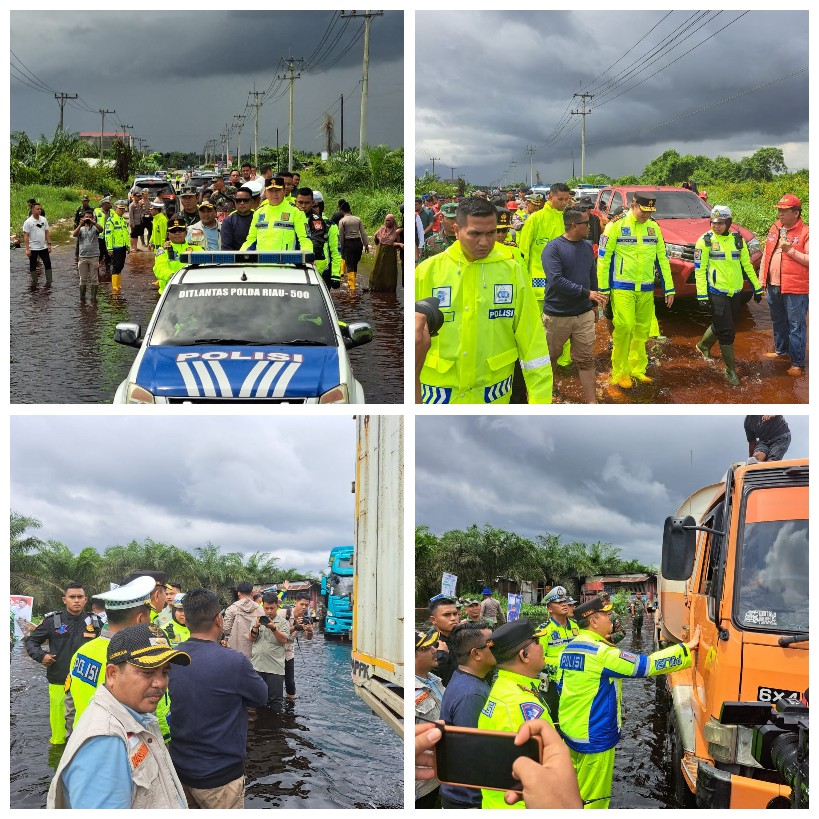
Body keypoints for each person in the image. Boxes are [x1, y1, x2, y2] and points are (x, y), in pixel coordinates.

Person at [558, 596, 700, 809]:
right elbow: (646, 666)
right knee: (595, 799)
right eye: (606, 614)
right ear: (594, 621)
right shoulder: (602, 653)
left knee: (573, 790)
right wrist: (686, 649)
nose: (611, 619)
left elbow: (561, 687)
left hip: (570, 731)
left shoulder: (569, 649)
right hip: (594, 735)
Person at [415, 197, 553, 404]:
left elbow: (533, 341)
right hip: (438, 395)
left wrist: (540, 401)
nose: (484, 242)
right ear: (456, 229)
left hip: (493, 395)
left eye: (491, 233)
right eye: (474, 234)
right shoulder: (428, 272)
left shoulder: (512, 272)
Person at [46, 623, 190, 809]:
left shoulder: (137, 716)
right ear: (112, 674)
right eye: (147, 672)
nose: (160, 683)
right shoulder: (105, 741)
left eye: (165, 672)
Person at [169, 588, 268, 808]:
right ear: (218, 619)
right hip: (220, 778)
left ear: (186, 621)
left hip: (180, 771)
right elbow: (261, 697)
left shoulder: (172, 657)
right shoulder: (235, 662)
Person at [596, 192, 675, 391]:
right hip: (622, 287)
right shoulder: (616, 226)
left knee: (641, 330)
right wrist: (604, 289)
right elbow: (603, 260)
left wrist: (669, 288)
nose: (646, 215)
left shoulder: (654, 228)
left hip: (646, 288)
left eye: (650, 212)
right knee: (624, 327)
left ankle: (637, 368)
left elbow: (662, 260)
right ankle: (620, 372)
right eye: (643, 210)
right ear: (633, 205)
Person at [64, 576, 157, 732]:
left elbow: (70, 705)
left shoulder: (82, 652)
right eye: (149, 615)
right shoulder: (133, 658)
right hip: (118, 745)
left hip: (83, 739)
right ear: (141, 619)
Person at [477, 619, 552, 808]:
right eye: (536, 642)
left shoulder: (503, 687)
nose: (542, 646)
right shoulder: (520, 705)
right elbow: (543, 775)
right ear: (524, 655)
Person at [542, 208, 608, 403]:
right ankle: (549, 392)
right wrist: (587, 293)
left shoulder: (587, 246)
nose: (590, 227)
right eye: (586, 224)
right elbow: (556, 280)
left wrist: (593, 303)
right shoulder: (553, 248)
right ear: (574, 225)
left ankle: (591, 402)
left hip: (583, 314)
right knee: (552, 356)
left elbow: (591, 274)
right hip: (557, 315)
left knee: (586, 359)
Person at [25, 583, 102, 745]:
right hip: (59, 680)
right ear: (64, 600)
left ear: (85, 599)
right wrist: (41, 656)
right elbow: (31, 641)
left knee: (88, 730)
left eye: (80, 597)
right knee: (59, 734)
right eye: (72, 597)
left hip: (87, 684)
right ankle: (57, 761)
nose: (76, 601)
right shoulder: (52, 621)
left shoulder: (95, 622)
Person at [694, 205, 763, 386]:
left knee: (723, 324)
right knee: (727, 331)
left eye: (720, 223)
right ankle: (730, 370)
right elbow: (700, 270)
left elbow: (747, 265)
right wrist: (701, 294)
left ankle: (703, 346)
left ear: (729, 222)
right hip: (717, 292)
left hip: (735, 292)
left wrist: (756, 287)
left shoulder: (738, 240)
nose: (716, 226)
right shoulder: (705, 241)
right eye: (713, 222)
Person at [438, 622, 496, 809]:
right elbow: (472, 751)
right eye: (491, 644)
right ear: (476, 653)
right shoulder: (472, 695)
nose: (497, 646)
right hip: (468, 799)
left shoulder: (465, 678)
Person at [759, 194, 809, 377]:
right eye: (778, 210)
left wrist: (790, 250)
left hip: (795, 288)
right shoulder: (774, 229)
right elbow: (766, 254)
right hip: (773, 285)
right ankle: (781, 351)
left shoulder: (806, 232)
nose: (779, 213)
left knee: (796, 326)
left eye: (784, 210)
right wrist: (762, 279)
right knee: (778, 322)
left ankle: (797, 363)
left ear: (795, 213)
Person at [518, 182, 573, 311]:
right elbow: (523, 251)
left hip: (562, 279)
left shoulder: (567, 218)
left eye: (566, 199)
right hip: (539, 279)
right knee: (538, 319)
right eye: (560, 199)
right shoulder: (535, 219)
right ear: (550, 197)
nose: (564, 203)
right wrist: (523, 278)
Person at [538, 586, 579, 722]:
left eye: (564, 601)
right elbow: (538, 659)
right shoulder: (544, 630)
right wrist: (563, 663)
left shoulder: (575, 626)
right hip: (552, 682)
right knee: (554, 717)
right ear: (550, 609)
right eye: (558, 602)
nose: (564, 604)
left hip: (574, 680)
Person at [415, 629, 445, 808]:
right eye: (428, 647)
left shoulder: (435, 680)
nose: (435, 650)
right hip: (422, 784)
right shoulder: (406, 690)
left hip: (440, 774)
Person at [241, 175, 309, 252]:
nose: (274, 194)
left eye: (277, 190)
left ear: (283, 191)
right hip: (262, 262)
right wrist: (240, 256)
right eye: (271, 191)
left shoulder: (296, 212)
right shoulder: (259, 212)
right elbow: (251, 240)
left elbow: (304, 239)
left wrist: (307, 256)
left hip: (286, 263)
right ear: (265, 193)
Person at [248, 592, 290, 713]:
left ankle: (275, 728)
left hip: (274, 668)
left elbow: (283, 640)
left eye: (272, 608)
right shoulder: (257, 620)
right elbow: (251, 639)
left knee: (275, 702)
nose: (269, 611)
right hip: (257, 666)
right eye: (266, 608)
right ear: (263, 606)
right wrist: (255, 627)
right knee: (257, 700)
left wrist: (273, 628)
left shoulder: (283, 623)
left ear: (277, 606)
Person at [295, 188, 341, 288]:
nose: (303, 206)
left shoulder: (328, 225)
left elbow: (335, 251)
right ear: (295, 202)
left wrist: (335, 275)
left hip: (319, 268)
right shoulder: (291, 218)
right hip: (294, 266)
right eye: (300, 202)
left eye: (307, 203)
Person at [153, 216, 203, 294]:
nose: (177, 233)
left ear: (186, 232)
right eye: (173, 231)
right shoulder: (163, 250)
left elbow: (204, 265)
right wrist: (173, 275)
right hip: (169, 292)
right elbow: (158, 269)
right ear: (168, 234)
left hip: (192, 290)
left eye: (180, 230)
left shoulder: (197, 248)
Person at [282, 592, 314, 700]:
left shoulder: (305, 619)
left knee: (290, 682)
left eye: (307, 605)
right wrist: (296, 626)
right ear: (295, 603)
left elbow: (309, 637)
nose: (304, 607)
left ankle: (291, 705)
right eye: (302, 604)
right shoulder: (283, 613)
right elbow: (276, 631)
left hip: (288, 652)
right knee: (274, 679)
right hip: (275, 650)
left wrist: (309, 630)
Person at [222, 580, 262, 659]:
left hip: (235, 652)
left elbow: (226, 630)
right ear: (252, 593)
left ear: (238, 593)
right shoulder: (260, 609)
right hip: (256, 653)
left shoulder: (231, 609)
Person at [428, 594, 461, 686]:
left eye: (455, 614)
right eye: (447, 615)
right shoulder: (428, 645)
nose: (453, 618)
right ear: (433, 619)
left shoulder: (462, 637)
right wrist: (441, 656)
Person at [72, 208, 101, 303]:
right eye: (86, 217)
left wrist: (93, 223)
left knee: (94, 279)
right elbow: (74, 235)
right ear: (83, 218)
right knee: (83, 279)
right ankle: (82, 299)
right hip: (83, 257)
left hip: (94, 256)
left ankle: (93, 299)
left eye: (90, 217)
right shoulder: (81, 228)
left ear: (93, 218)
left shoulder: (95, 228)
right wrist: (80, 224)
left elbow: (101, 229)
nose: (88, 219)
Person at [337, 200, 370, 280]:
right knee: (355, 264)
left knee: (350, 266)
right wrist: (366, 245)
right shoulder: (358, 219)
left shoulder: (342, 221)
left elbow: (341, 237)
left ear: (342, 211)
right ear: (350, 210)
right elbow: (363, 233)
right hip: (358, 244)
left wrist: (342, 249)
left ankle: (352, 288)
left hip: (348, 244)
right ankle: (353, 282)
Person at [23, 202, 52, 287]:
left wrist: (49, 244)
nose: (39, 210)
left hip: (43, 247)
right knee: (33, 266)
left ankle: (49, 282)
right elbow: (26, 236)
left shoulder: (43, 220)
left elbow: (47, 232)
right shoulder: (28, 222)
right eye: (37, 209)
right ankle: (35, 282)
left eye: (40, 209)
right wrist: (27, 249)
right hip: (33, 248)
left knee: (48, 264)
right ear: (32, 210)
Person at [370, 212, 401, 290]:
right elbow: (376, 237)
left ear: (393, 221)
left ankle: (388, 288)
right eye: (386, 220)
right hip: (380, 253)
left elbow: (398, 243)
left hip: (390, 255)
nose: (387, 222)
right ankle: (375, 287)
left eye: (389, 221)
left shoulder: (396, 231)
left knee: (389, 272)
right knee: (377, 269)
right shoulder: (382, 229)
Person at [221, 186, 256, 251]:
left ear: (252, 201)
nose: (242, 203)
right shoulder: (228, 221)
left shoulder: (259, 218)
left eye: (245, 200)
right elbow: (226, 247)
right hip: (236, 259)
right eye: (238, 200)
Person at [105, 200, 129, 294]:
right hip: (115, 248)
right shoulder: (111, 220)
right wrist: (109, 248)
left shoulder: (123, 220)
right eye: (120, 209)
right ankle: (114, 286)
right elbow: (108, 235)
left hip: (122, 247)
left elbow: (126, 234)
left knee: (121, 266)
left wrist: (128, 245)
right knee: (116, 266)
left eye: (123, 209)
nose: (122, 211)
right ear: (116, 209)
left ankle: (118, 284)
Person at [94, 196, 113, 278]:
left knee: (109, 254)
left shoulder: (112, 212)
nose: (110, 205)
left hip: (109, 237)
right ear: (105, 204)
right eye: (109, 203)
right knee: (99, 255)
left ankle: (108, 271)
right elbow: (93, 223)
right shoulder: (96, 212)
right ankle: (96, 272)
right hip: (100, 237)